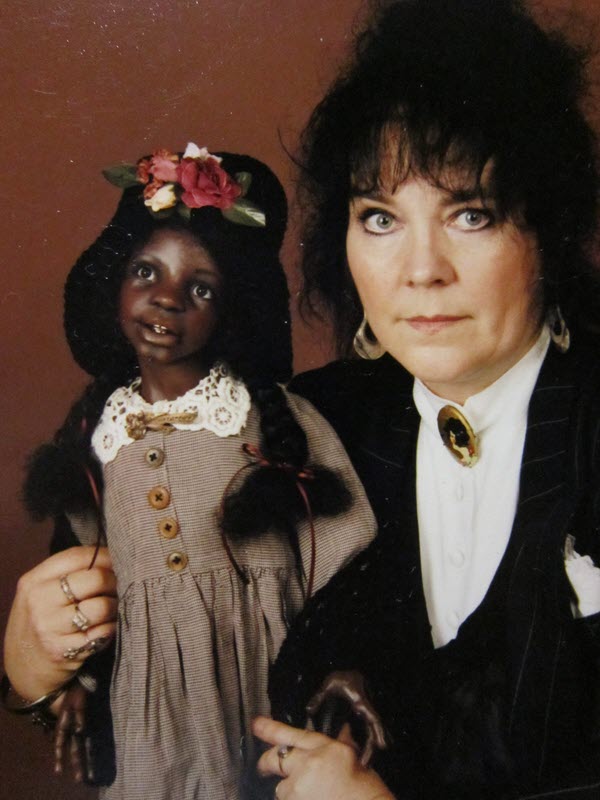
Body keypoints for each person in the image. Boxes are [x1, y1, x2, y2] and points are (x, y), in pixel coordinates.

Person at [251, 1, 600, 798]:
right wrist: (38, 671)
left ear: (547, 230)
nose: (421, 270)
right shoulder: (319, 423)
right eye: (379, 217)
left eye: (469, 214)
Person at [2, 144, 375, 799]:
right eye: (146, 273)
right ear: (112, 282)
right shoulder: (99, 431)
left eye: (199, 288)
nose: (167, 300)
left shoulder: (266, 418)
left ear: (231, 307)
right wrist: (76, 682)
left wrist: (347, 663)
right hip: (154, 712)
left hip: (269, 679)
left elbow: (348, 559)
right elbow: (82, 575)